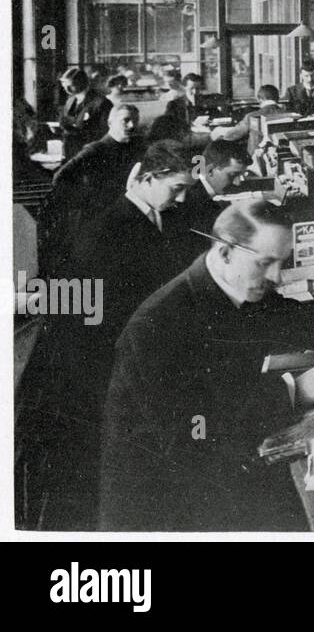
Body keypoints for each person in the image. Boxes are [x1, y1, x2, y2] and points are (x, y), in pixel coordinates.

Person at [100, 200, 314, 531]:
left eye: (281, 262)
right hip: (166, 502)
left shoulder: (227, 282)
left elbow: (284, 315)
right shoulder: (155, 326)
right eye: (266, 262)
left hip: (214, 469)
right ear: (225, 252)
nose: (277, 276)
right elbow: (194, 426)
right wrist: (293, 390)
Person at [23, 139, 196, 528]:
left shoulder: (145, 215)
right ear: (147, 178)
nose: (182, 200)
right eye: (177, 189)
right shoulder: (111, 232)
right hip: (101, 367)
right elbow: (107, 318)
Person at [38, 104, 145, 277]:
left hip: (123, 215)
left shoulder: (136, 146)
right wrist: (85, 200)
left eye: (135, 121)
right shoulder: (96, 149)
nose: (132, 126)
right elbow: (60, 176)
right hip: (96, 219)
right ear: (110, 122)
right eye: (126, 120)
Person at [173, 139, 253, 263]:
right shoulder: (192, 201)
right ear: (210, 171)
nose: (237, 183)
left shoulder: (200, 191)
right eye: (232, 175)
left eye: (242, 175)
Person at [212, 84, 289, 154]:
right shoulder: (290, 115)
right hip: (283, 155)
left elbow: (233, 135)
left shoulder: (252, 116)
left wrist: (218, 131)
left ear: (259, 99)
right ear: (278, 98)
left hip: (257, 159)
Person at [58, 67, 111, 159]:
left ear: (82, 83)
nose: (67, 89)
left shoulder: (101, 102)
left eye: (71, 85)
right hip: (70, 152)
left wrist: (75, 131)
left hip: (90, 153)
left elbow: (104, 133)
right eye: (64, 86)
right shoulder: (70, 100)